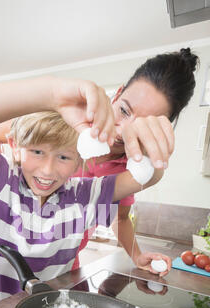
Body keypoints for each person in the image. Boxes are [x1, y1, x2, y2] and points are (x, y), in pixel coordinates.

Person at [0, 74, 175, 308]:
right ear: (15, 146)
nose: (48, 170)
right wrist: (53, 93)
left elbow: (149, 177)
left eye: (63, 157)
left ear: (79, 160)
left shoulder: (84, 196)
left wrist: (152, 145)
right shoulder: (0, 180)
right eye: (37, 151)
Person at [72, 48, 199, 277]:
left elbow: (120, 218)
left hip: (66, 263)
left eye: (142, 124)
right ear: (118, 93)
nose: (123, 132)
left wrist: (138, 256)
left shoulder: (128, 169)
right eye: (124, 110)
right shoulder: (69, 129)